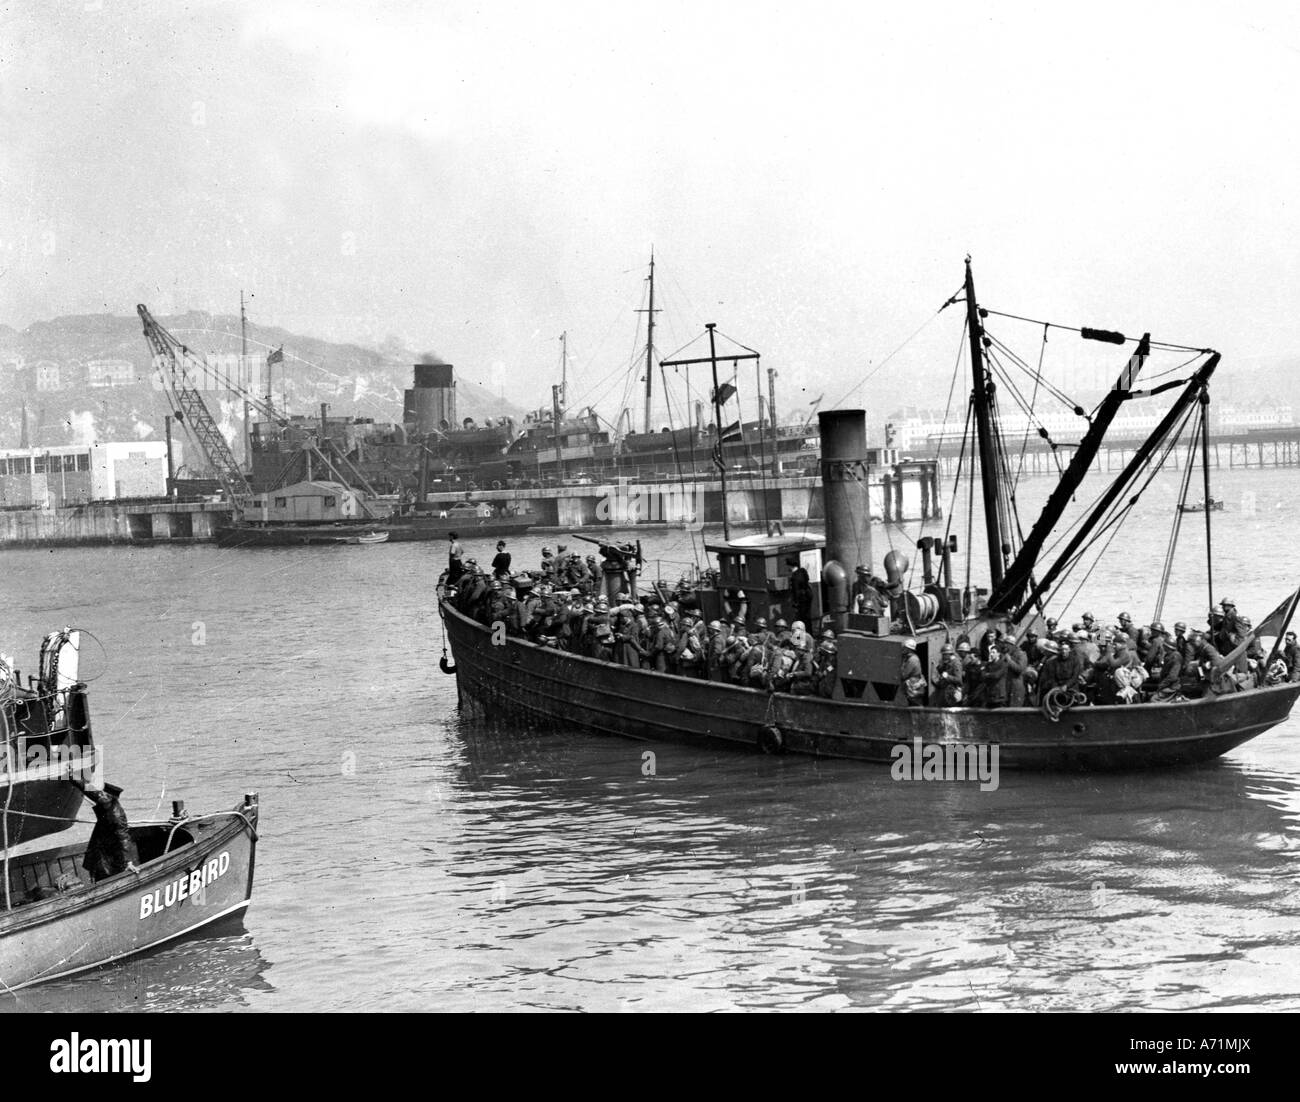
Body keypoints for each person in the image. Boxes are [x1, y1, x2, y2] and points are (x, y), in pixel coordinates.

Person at [71, 778, 139, 882]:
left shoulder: (117, 816)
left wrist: (129, 862)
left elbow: (124, 838)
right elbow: (86, 789)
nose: (101, 795)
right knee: (97, 866)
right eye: (102, 792)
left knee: (106, 870)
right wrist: (72, 776)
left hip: (113, 846)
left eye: (106, 795)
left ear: (112, 798)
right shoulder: (102, 799)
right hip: (101, 839)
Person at [900, 638, 926, 707]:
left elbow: (904, 674)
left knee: (916, 704)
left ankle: (921, 717)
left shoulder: (912, 659)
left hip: (914, 685)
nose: (903, 648)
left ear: (909, 649)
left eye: (904, 647)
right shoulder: (909, 658)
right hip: (913, 684)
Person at [787, 557, 812, 625]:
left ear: (790, 566)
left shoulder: (794, 577)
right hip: (808, 596)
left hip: (802, 599)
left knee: (802, 618)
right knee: (807, 616)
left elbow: (796, 591)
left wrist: (795, 603)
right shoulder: (803, 571)